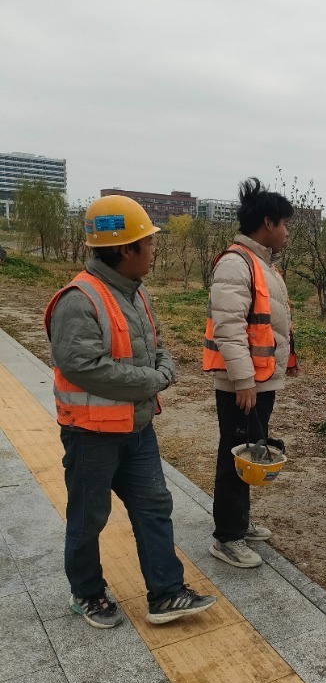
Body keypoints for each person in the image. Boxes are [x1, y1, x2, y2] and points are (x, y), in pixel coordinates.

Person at [44, 194, 216, 629]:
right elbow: (82, 366)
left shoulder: (135, 292)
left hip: (136, 430)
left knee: (154, 507)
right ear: (125, 249)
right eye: (149, 242)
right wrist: (153, 380)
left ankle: (166, 592)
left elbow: (156, 346)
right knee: (89, 518)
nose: (154, 250)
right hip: (92, 435)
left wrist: (163, 368)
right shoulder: (79, 299)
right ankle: (86, 592)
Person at [203, 177, 297, 568]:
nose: (287, 231)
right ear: (267, 223)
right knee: (236, 454)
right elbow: (229, 327)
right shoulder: (235, 263)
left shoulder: (260, 264)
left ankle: (238, 520)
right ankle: (227, 537)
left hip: (258, 380)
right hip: (243, 384)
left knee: (250, 451)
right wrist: (243, 381)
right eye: (284, 223)